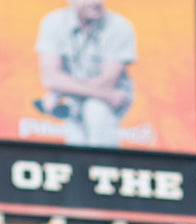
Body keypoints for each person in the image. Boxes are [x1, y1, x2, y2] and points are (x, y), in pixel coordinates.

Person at [34, 0, 135, 148]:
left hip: (107, 102)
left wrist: (59, 91)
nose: (95, 2)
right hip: (85, 98)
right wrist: (58, 91)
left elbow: (107, 83)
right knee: (76, 140)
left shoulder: (120, 26)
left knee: (95, 111)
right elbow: (50, 79)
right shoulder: (53, 22)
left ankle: (104, 167)